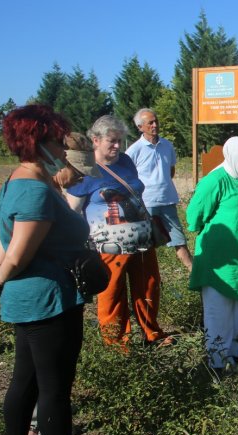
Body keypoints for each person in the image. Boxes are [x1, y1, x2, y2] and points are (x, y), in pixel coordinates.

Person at [0, 105, 97, 435]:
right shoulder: (35, 191)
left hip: (37, 302)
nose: (63, 149)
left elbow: (6, 242)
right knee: (54, 391)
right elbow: (17, 254)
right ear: (38, 143)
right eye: (57, 141)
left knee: (25, 381)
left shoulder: (18, 181)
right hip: (48, 302)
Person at [66, 115, 171, 346]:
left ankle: (151, 333)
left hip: (143, 239)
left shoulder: (125, 161)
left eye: (120, 141)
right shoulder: (83, 170)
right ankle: (117, 344)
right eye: (111, 141)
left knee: (149, 287)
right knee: (112, 294)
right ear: (95, 140)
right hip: (109, 246)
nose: (117, 146)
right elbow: (72, 211)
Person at [186, 137, 238, 372]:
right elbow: (194, 218)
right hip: (220, 260)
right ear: (236, 160)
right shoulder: (215, 181)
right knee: (218, 310)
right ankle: (218, 361)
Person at [126, 108, 193, 270]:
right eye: (150, 123)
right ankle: (149, 279)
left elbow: (170, 171)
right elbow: (128, 176)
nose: (155, 125)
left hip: (167, 199)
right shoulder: (134, 150)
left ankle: (194, 275)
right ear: (140, 127)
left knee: (179, 240)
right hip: (146, 202)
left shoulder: (167, 145)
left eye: (156, 121)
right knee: (146, 244)